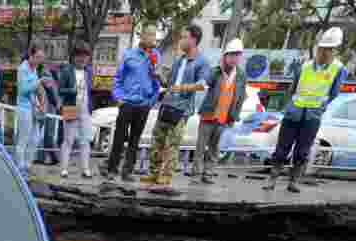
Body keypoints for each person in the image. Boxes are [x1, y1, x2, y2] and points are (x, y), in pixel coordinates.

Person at [264, 26, 346, 193]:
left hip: (312, 116)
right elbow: (292, 89)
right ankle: (272, 178)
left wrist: (320, 107)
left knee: (302, 151)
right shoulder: (305, 66)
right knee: (282, 148)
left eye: (329, 50)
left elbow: (334, 93)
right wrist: (290, 105)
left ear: (334, 51)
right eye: (322, 49)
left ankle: (293, 181)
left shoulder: (338, 69)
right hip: (294, 113)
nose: (324, 53)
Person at [141, 24, 209, 187]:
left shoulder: (201, 62)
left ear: (193, 40)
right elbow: (170, 83)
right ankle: (153, 173)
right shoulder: (180, 60)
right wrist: (158, 76)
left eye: (184, 37)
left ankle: (166, 175)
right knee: (157, 140)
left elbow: (202, 84)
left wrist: (184, 87)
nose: (181, 40)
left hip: (181, 108)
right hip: (167, 103)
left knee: (172, 144)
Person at [102, 26, 160, 182]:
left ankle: (127, 171)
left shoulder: (155, 56)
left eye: (154, 35)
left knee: (135, 139)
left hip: (144, 105)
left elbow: (157, 81)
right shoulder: (129, 55)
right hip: (127, 103)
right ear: (142, 36)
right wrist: (119, 98)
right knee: (119, 137)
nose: (152, 37)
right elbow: (117, 79)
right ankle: (112, 170)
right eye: (149, 34)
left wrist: (151, 100)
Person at [193, 38, 247, 185]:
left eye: (237, 55)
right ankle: (196, 175)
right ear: (225, 56)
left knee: (215, 148)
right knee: (200, 146)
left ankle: (208, 173)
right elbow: (205, 81)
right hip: (208, 115)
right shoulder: (216, 71)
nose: (234, 58)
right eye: (231, 55)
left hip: (224, 118)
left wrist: (234, 116)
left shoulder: (241, 76)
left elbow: (241, 97)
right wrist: (200, 83)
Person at [57, 45, 95, 178]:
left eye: (85, 56)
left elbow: (90, 91)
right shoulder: (67, 70)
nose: (82, 59)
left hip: (85, 109)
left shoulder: (89, 71)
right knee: (68, 140)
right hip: (70, 107)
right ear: (74, 57)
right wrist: (71, 90)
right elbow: (60, 89)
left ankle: (85, 168)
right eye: (79, 56)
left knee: (85, 140)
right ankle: (63, 169)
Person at [16, 46, 54, 176]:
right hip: (24, 108)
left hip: (34, 109)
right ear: (30, 56)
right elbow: (24, 90)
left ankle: (27, 165)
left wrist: (42, 100)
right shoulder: (23, 69)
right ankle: (20, 167)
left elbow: (37, 90)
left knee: (35, 138)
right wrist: (40, 81)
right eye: (37, 57)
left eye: (41, 58)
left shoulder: (34, 69)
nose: (39, 60)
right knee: (23, 139)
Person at [38, 63, 61, 165]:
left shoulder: (44, 72)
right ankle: (50, 156)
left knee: (46, 132)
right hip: (48, 105)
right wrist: (57, 104)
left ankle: (50, 156)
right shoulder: (47, 72)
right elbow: (52, 90)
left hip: (46, 105)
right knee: (48, 132)